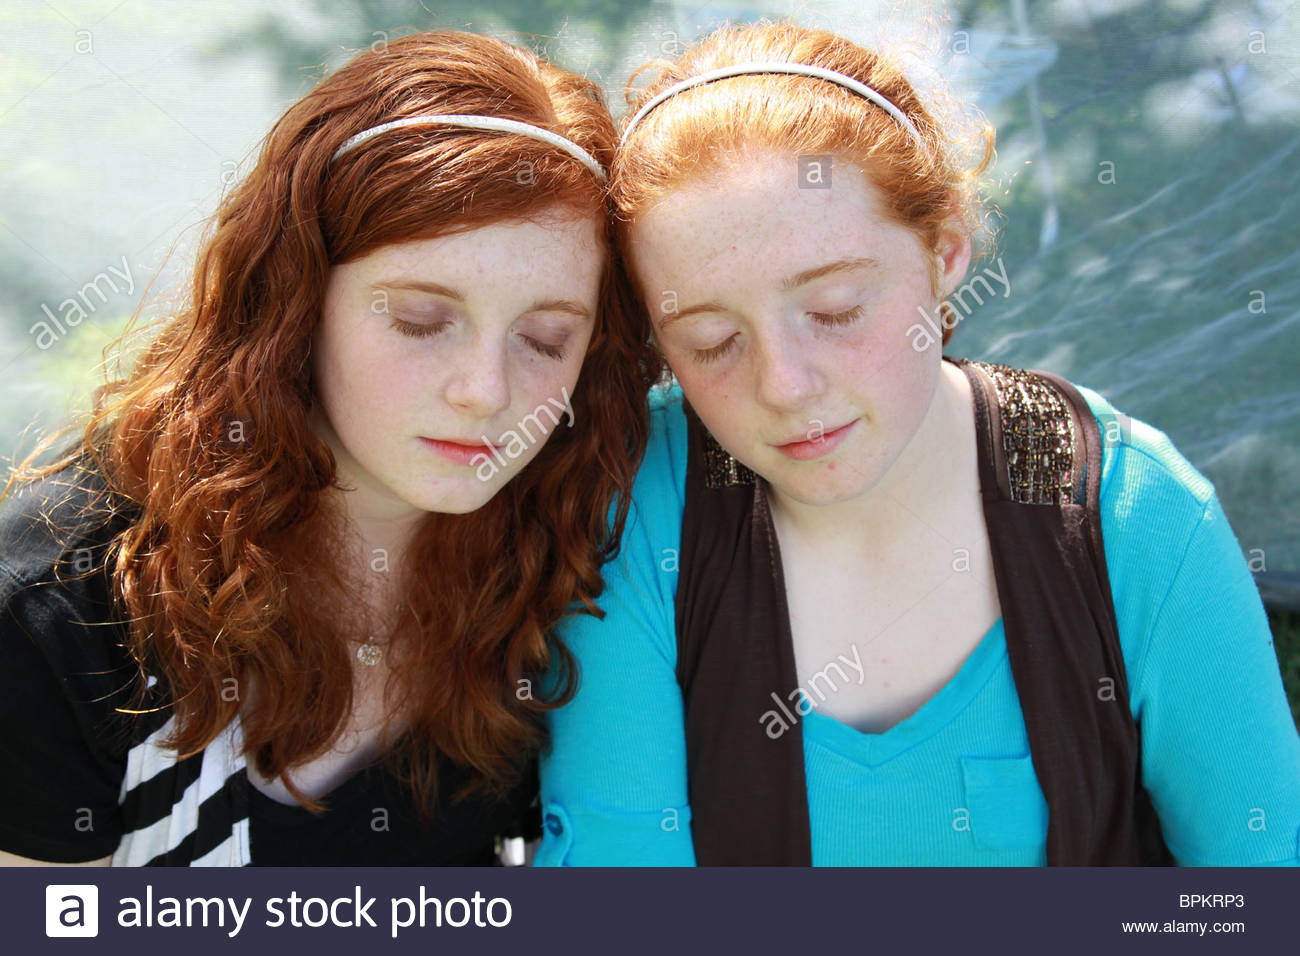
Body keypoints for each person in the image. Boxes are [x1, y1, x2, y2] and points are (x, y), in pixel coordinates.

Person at [536, 21, 1300, 866]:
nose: (784, 384)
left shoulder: (1136, 513)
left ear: (944, 253)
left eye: (835, 311)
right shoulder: (635, 517)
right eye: (712, 341)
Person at [0, 30, 656, 866]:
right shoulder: (68, 611)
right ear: (295, 303)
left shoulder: (569, 564)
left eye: (547, 337)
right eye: (421, 321)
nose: (485, 390)